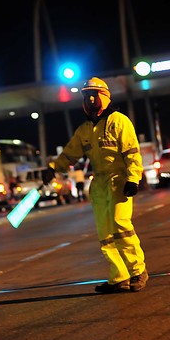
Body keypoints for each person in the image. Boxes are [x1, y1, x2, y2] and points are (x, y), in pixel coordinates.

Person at [42, 77, 148, 294]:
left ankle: (138, 271)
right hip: (99, 184)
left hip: (119, 181)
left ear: (104, 97)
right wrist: (54, 168)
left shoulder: (120, 122)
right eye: (86, 96)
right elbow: (70, 153)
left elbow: (132, 154)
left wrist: (132, 179)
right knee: (106, 233)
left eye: (94, 96)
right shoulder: (85, 130)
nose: (90, 100)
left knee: (121, 226)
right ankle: (120, 277)